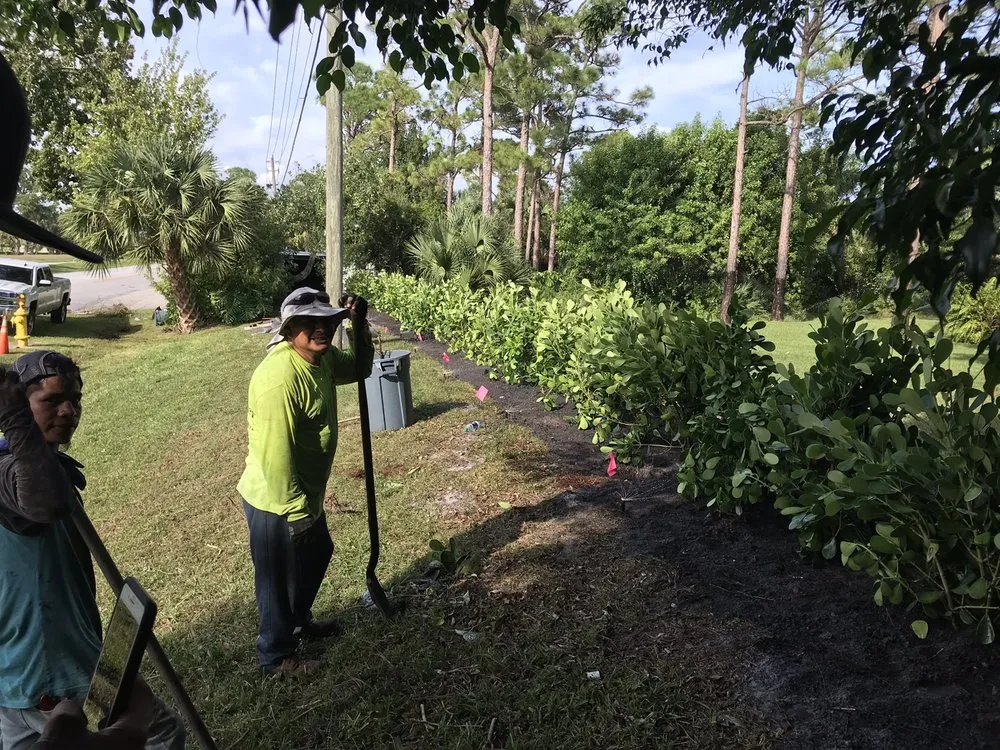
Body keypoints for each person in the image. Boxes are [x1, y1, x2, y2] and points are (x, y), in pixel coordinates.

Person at [0, 351, 185, 750]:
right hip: (51, 670)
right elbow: (43, 502)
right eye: (51, 400)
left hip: (24, 671)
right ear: (19, 404)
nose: (68, 411)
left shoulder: (42, 460)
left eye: (75, 399)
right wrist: (13, 419)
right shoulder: (10, 469)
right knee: (162, 735)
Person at [238, 287, 374, 675]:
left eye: (328, 320)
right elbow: (275, 459)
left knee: (317, 553)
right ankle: (276, 657)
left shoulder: (323, 359)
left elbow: (361, 368)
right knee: (277, 580)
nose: (321, 329)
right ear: (288, 329)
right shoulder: (278, 379)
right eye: (308, 323)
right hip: (275, 499)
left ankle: (298, 622)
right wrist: (298, 516)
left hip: (304, 492)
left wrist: (358, 324)